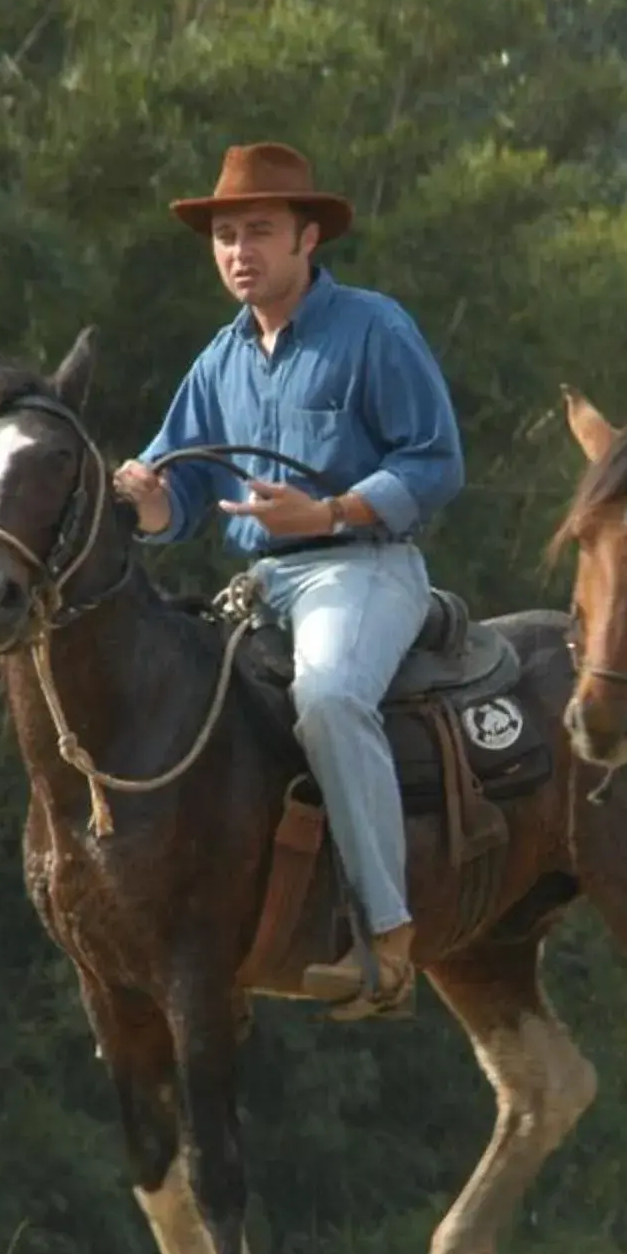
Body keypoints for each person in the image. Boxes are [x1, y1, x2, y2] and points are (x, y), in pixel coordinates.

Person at [111, 143, 465, 1018]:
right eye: (225, 236)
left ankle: (386, 942)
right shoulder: (216, 363)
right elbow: (181, 495)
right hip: (261, 587)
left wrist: (332, 510)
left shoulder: (375, 328)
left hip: (364, 567)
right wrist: (144, 499)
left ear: (309, 238)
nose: (239, 252)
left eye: (259, 232)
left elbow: (437, 461)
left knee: (330, 699)